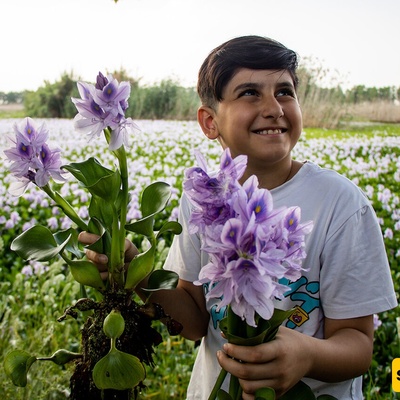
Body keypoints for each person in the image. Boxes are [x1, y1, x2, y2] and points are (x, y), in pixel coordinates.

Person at [79, 35, 397, 400]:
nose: (274, 108)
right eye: (250, 93)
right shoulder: (202, 196)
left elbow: (358, 346)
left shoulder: (340, 204)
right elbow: (196, 320)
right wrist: (136, 271)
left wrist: (305, 355)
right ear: (209, 121)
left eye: (284, 92)